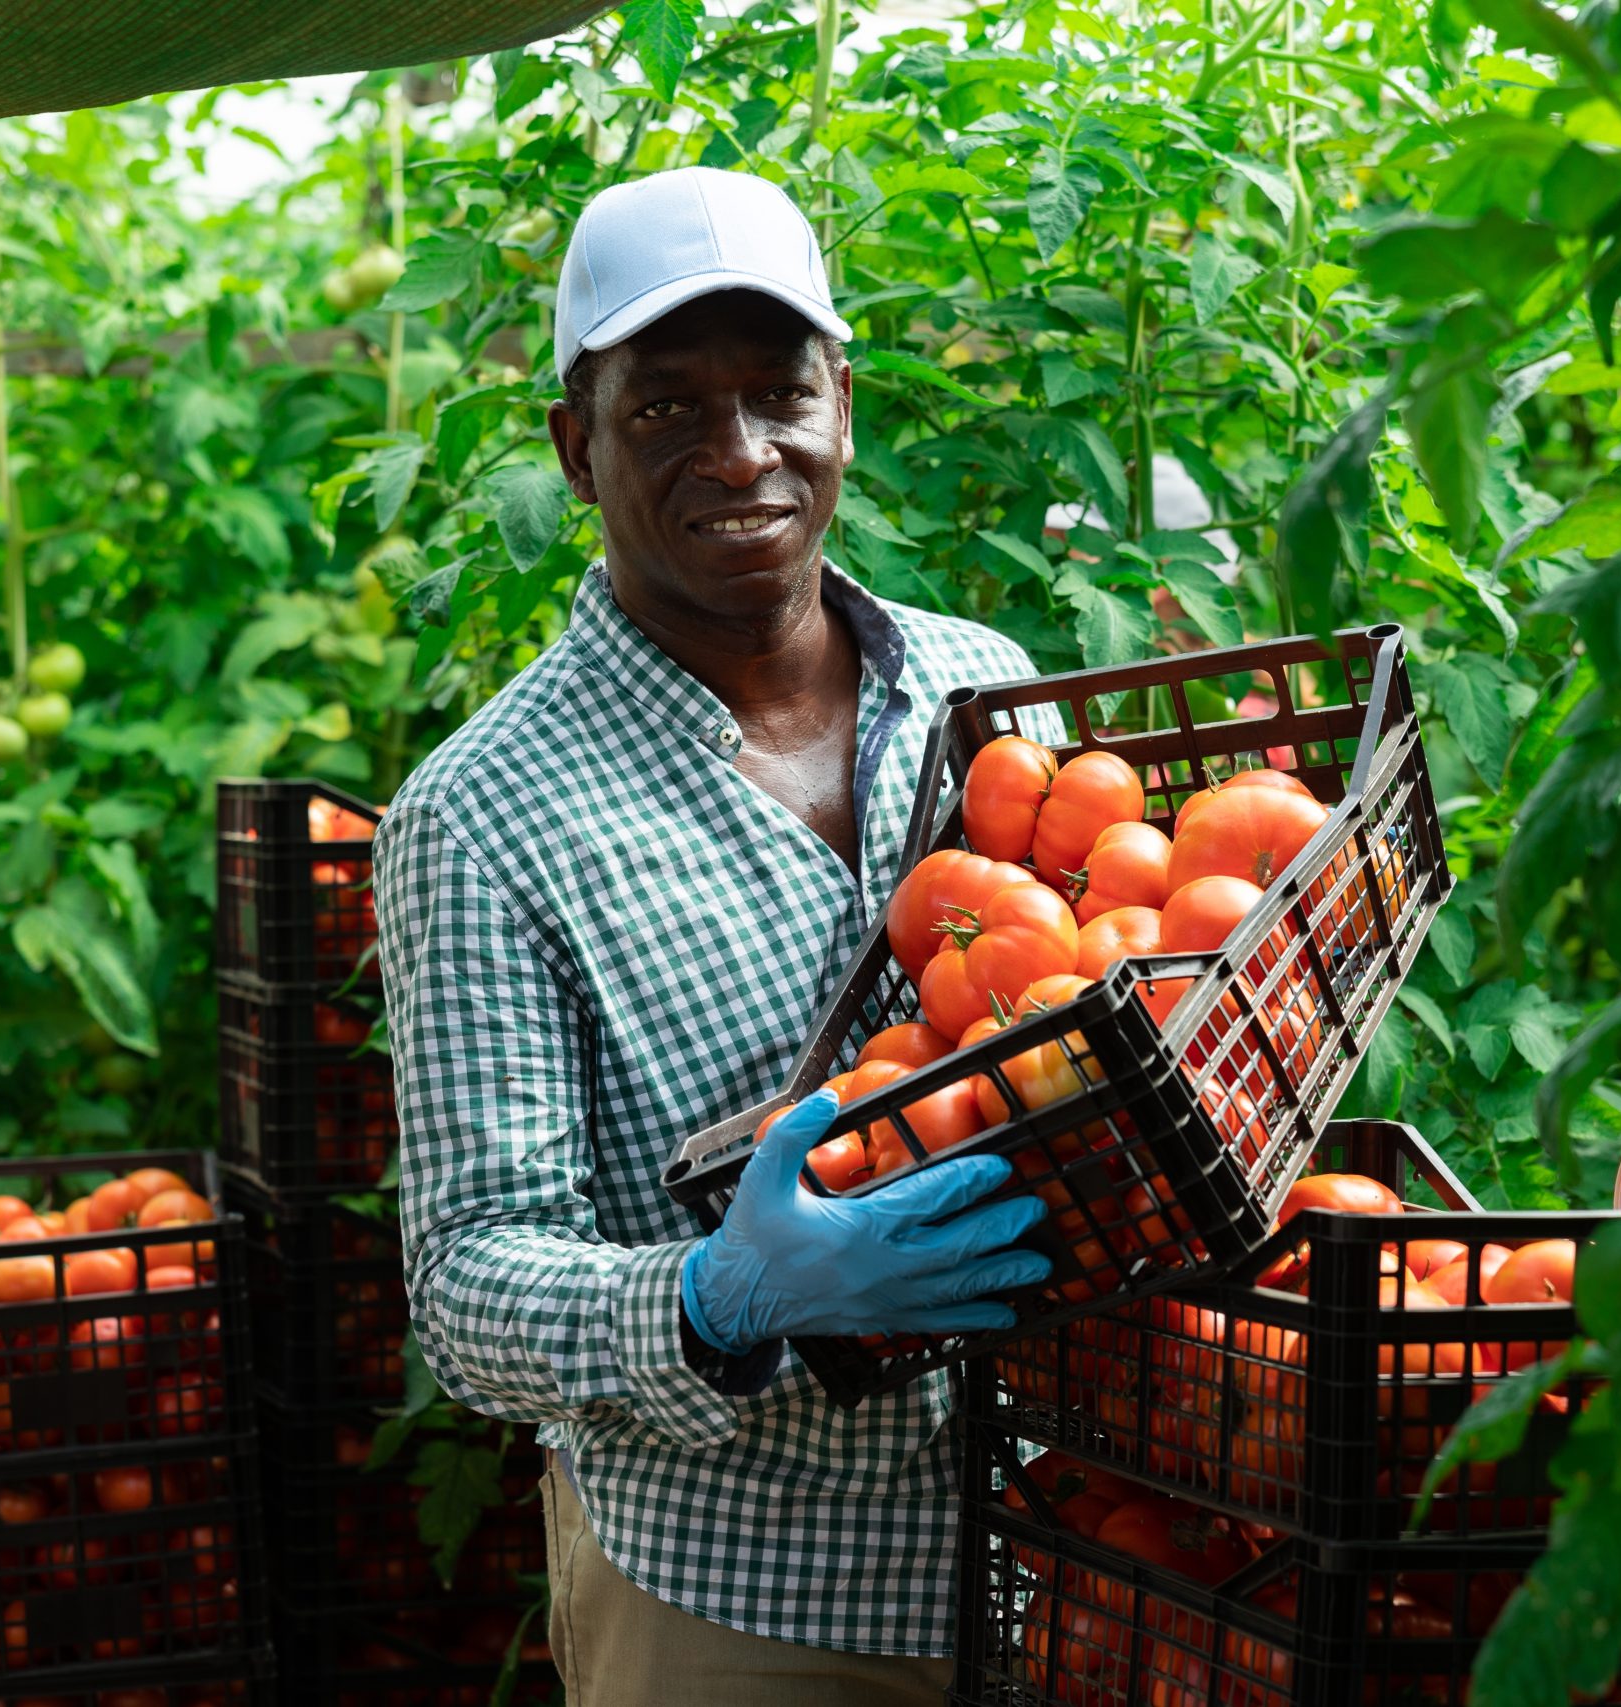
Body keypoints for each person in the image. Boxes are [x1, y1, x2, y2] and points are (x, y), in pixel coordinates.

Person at [373, 167, 1053, 1705]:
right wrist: (717, 1297)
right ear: (576, 446)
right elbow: (470, 1285)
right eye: (666, 410)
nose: (740, 452)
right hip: (746, 1600)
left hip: (1050, 1539)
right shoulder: (482, 813)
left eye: (776, 392)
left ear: (843, 408)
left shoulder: (978, 687)